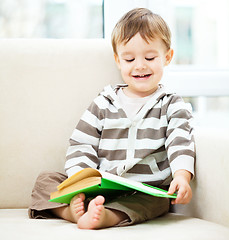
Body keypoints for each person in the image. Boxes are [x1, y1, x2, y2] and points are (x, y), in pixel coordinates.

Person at [29, 8, 195, 229]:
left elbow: (181, 142)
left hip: (142, 189)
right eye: (129, 59)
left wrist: (182, 177)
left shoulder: (171, 104)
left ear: (167, 57)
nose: (140, 65)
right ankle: (70, 211)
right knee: (45, 180)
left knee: (159, 201)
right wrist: (81, 181)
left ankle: (105, 217)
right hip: (101, 185)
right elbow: (81, 143)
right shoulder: (104, 102)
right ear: (118, 60)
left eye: (150, 57)